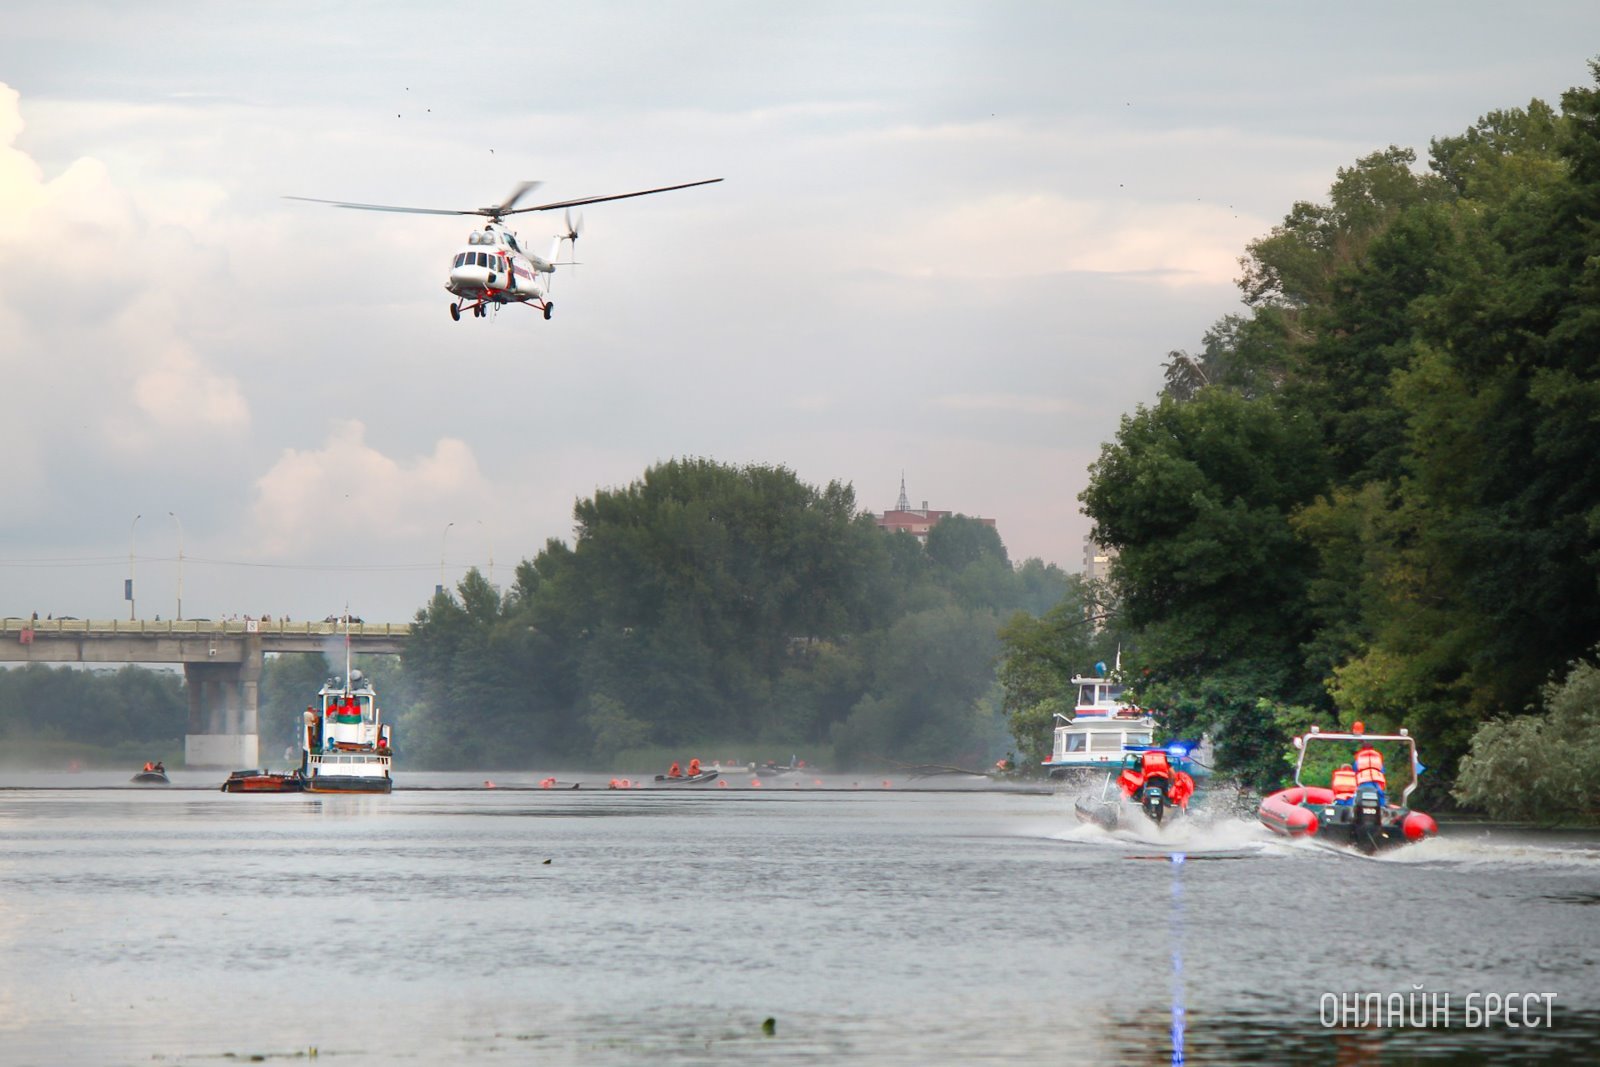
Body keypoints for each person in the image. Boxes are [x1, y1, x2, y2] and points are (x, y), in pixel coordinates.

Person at [1353, 741, 1387, 806]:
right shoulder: (1377, 757)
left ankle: (1355, 810)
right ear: (1372, 748)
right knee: (1381, 794)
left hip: (1363, 780)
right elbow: (1382, 770)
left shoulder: (1359, 758)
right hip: (1377, 780)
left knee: (1359, 795)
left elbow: (1355, 769)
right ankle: (1383, 809)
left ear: (1362, 749)